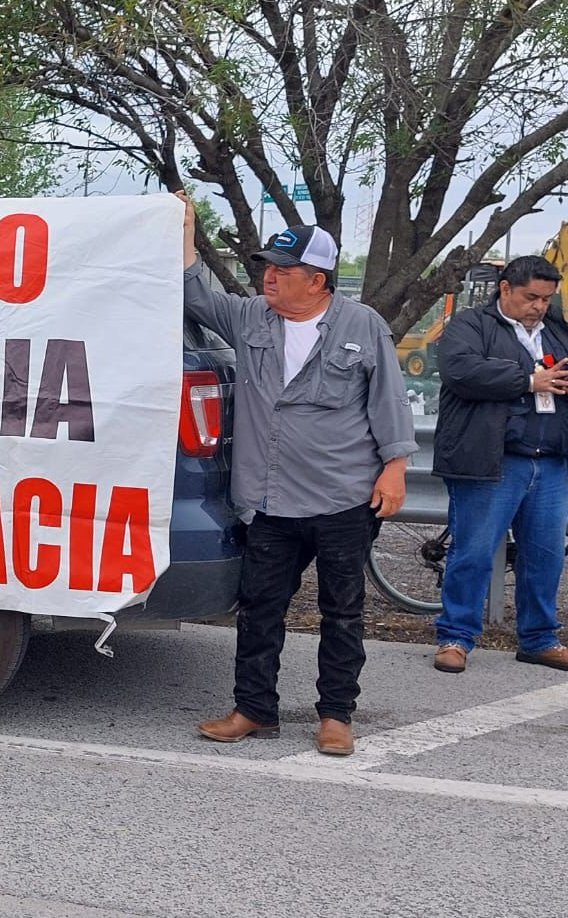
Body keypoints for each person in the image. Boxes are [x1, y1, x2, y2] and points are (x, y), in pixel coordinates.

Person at [180, 193, 417, 756]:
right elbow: (193, 294)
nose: (270, 278)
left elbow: (390, 403)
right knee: (260, 608)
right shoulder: (250, 318)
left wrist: (396, 469)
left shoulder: (363, 327)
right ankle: (253, 709)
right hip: (269, 500)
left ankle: (336, 715)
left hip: (341, 497)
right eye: (268, 267)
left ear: (318, 280)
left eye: (284, 271)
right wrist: (186, 230)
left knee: (342, 611)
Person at [429, 255, 568, 673]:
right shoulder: (471, 324)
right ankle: (456, 636)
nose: (539, 306)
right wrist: (529, 380)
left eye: (546, 298)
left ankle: (539, 638)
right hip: (490, 459)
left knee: (545, 556)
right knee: (473, 551)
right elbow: (459, 370)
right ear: (505, 288)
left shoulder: (558, 331)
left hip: (550, 462)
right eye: (531, 297)